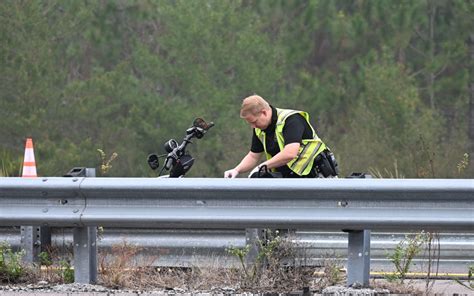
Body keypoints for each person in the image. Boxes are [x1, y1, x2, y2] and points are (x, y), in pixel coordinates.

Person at [224, 95, 338, 178]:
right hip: (290, 179)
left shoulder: (292, 120)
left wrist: (262, 167)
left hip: (316, 178)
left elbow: (290, 153)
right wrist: (236, 170)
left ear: (264, 112)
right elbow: (253, 156)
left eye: (254, 122)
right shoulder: (260, 129)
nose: (253, 126)